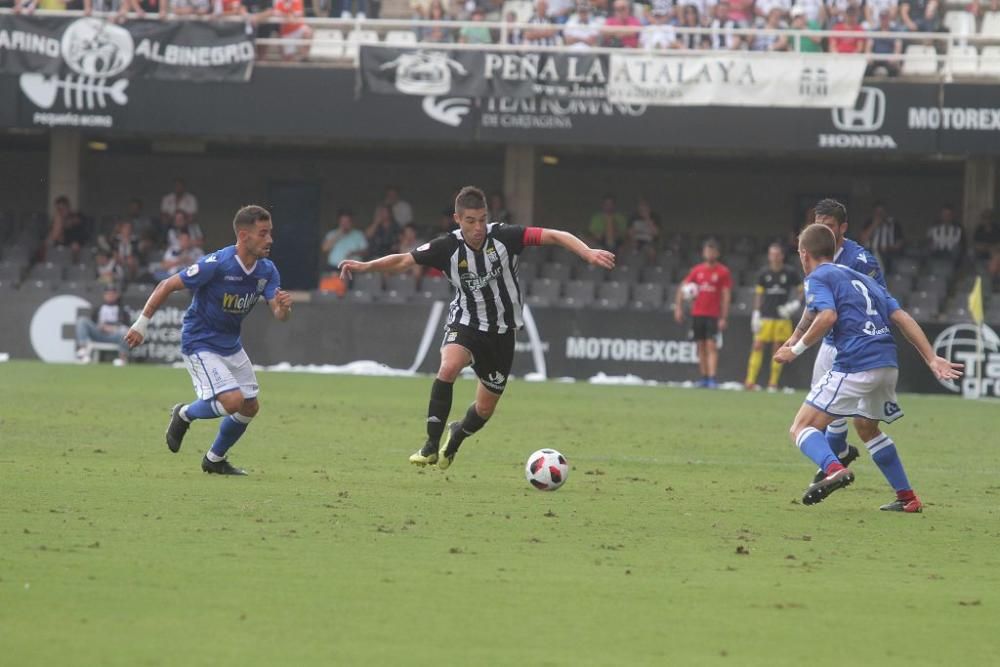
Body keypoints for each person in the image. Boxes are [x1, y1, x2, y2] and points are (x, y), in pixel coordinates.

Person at [338, 186, 615, 470]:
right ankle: (431, 445)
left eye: (482, 219)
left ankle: (455, 436)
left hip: (502, 332)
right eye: (471, 220)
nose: (478, 227)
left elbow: (555, 235)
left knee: (484, 409)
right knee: (448, 368)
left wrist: (587, 252)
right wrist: (364, 267)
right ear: (458, 219)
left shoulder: (506, 236)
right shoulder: (446, 247)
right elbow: (403, 261)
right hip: (466, 322)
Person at [774, 224, 962, 511]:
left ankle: (834, 468)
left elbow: (826, 316)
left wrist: (796, 351)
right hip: (886, 362)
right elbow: (902, 318)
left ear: (803, 253)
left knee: (801, 427)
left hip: (856, 363)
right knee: (866, 427)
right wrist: (931, 358)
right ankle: (907, 498)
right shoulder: (863, 278)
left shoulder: (817, 277)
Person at [124, 205, 293, 476]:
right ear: (244, 235)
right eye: (263, 233)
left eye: (270, 233)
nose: (270, 240)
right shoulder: (217, 264)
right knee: (233, 402)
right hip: (199, 342)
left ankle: (214, 459)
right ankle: (184, 414)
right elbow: (166, 285)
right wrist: (141, 324)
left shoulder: (267, 270)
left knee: (250, 406)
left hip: (231, 344)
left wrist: (284, 308)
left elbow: (278, 314)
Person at [785, 198, 885, 486]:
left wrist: (798, 346)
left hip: (857, 345)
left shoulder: (860, 260)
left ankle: (834, 461)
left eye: (829, 226)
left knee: (850, 416)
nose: (823, 231)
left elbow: (880, 300)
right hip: (830, 343)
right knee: (824, 402)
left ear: (843, 227)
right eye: (818, 225)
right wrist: (795, 337)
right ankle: (837, 454)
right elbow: (813, 304)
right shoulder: (814, 251)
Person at [675, 239, 732, 388]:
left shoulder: (723, 272)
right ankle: (704, 377)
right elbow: (683, 287)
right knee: (700, 345)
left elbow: (726, 295)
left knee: (711, 345)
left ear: (717, 253)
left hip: (713, 315)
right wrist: (679, 308)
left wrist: (724, 317)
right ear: (703, 253)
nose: (709, 253)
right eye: (707, 250)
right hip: (697, 314)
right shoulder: (697, 270)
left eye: (712, 251)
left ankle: (712, 378)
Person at [745, 243, 802, 391]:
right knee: (757, 346)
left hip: (782, 318)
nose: (774, 257)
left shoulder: (790, 272)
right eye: (772, 254)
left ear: (782, 256)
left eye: (777, 254)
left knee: (778, 349)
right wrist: (756, 313)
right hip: (765, 317)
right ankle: (750, 381)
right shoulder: (763, 273)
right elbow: (759, 294)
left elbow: (802, 290)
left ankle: (773, 383)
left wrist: (794, 304)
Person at [76, 286, 131, 366]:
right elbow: (93, 323)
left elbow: (126, 326)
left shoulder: (123, 311)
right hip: (98, 333)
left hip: (115, 335)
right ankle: (83, 351)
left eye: (112, 294)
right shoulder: (98, 309)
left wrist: (113, 329)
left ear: (116, 295)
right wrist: (100, 327)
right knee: (82, 321)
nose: (110, 296)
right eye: (108, 294)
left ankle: (122, 359)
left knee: (125, 332)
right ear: (104, 295)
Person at [860, 201, 904, 272]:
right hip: (870, 254)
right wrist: (874, 225)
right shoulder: (869, 222)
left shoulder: (894, 224)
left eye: (882, 211)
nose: (879, 214)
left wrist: (890, 248)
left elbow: (900, 242)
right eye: (877, 212)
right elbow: (862, 240)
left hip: (888, 256)